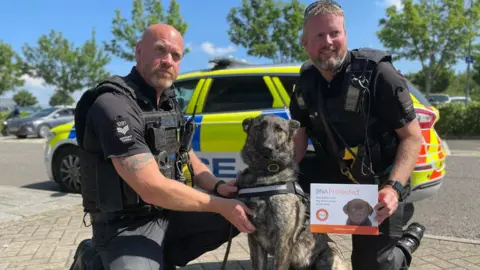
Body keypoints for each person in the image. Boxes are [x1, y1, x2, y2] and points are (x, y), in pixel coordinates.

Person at [71, 23, 255, 270]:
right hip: (125, 225)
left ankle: (158, 259)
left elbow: (186, 155)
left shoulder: (168, 101)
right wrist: (220, 205)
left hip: (168, 212)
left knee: (237, 216)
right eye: (160, 51)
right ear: (139, 51)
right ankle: (93, 257)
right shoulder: (113, 105)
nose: (168, 61)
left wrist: (218, 187)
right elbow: (150, 187)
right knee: (225, 211)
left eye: (176, 56)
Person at [290, 1, 426, 270]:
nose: (328, 42)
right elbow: (299, 137)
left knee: (372, 265)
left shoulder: (379, 74)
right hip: (335, 174)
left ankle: (406, 239)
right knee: (281, 203)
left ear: (345, 35)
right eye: (319, 36)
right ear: (305, 43)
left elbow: (412, 138)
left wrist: (393, 188)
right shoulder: (305, 82)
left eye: (335, 33)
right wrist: (285, 179)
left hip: (380, 180)